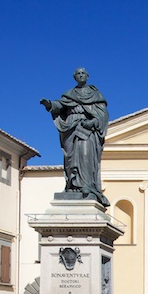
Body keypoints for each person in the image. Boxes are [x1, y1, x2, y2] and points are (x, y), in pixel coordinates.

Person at [41, 68, 109, 205]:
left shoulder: (95, 95)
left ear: (88, 76)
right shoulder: (70, 94)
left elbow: (103, 115)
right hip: (71, 127)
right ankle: (72, 186)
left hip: (86, 129)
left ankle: (86, 185)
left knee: (85, 155)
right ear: (74, 77)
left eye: (83, 73)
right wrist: (50, 105)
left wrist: (93, 122)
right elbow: (59, 105)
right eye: (78, 73)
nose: (81, 75)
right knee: (70, 158)